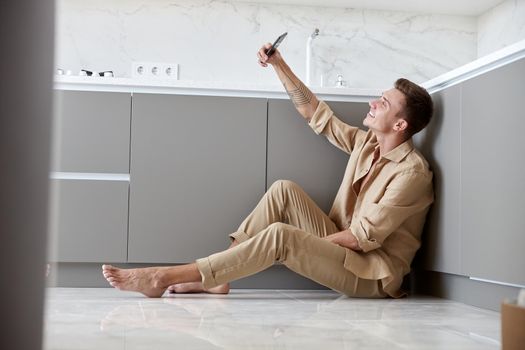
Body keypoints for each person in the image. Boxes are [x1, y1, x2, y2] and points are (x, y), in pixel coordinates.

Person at [102, 42, 434, 299]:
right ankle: (221, 279)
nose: (373, 104)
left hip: (371, 274)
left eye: (383, 104)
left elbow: (362, 239)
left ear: (400, 124)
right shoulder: (368, 145)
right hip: (344, 249)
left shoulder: (411, 174)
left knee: (281, 236)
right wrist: (278, 63)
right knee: (283, 190)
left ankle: (165, 277)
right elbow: (316, 116)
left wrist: (302, 245)